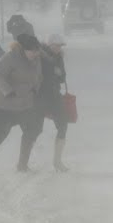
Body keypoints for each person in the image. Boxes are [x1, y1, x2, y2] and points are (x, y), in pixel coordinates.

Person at [0, 34, 43, 176]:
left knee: (31, 130)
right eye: (32, 51)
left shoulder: (36, 59)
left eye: (37, 51)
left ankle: (22, 165)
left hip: (24, 104)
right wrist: (8, 90)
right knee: (2, 133)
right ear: (24, 49)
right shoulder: (11, 57)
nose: (35, 54)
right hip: (4, 104)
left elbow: (38, 76)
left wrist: (36, 89)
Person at [36, 34, 70, 172]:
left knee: (63, 125)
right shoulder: (40, 57)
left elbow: (62, 78)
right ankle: (23, 162)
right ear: (49, 45)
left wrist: (58, 73)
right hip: (40, 96)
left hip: (55, 96)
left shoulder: (59, 58)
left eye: (60, 46)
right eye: (56, 45)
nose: (58, 48)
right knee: (34, 129)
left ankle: (57, 161)